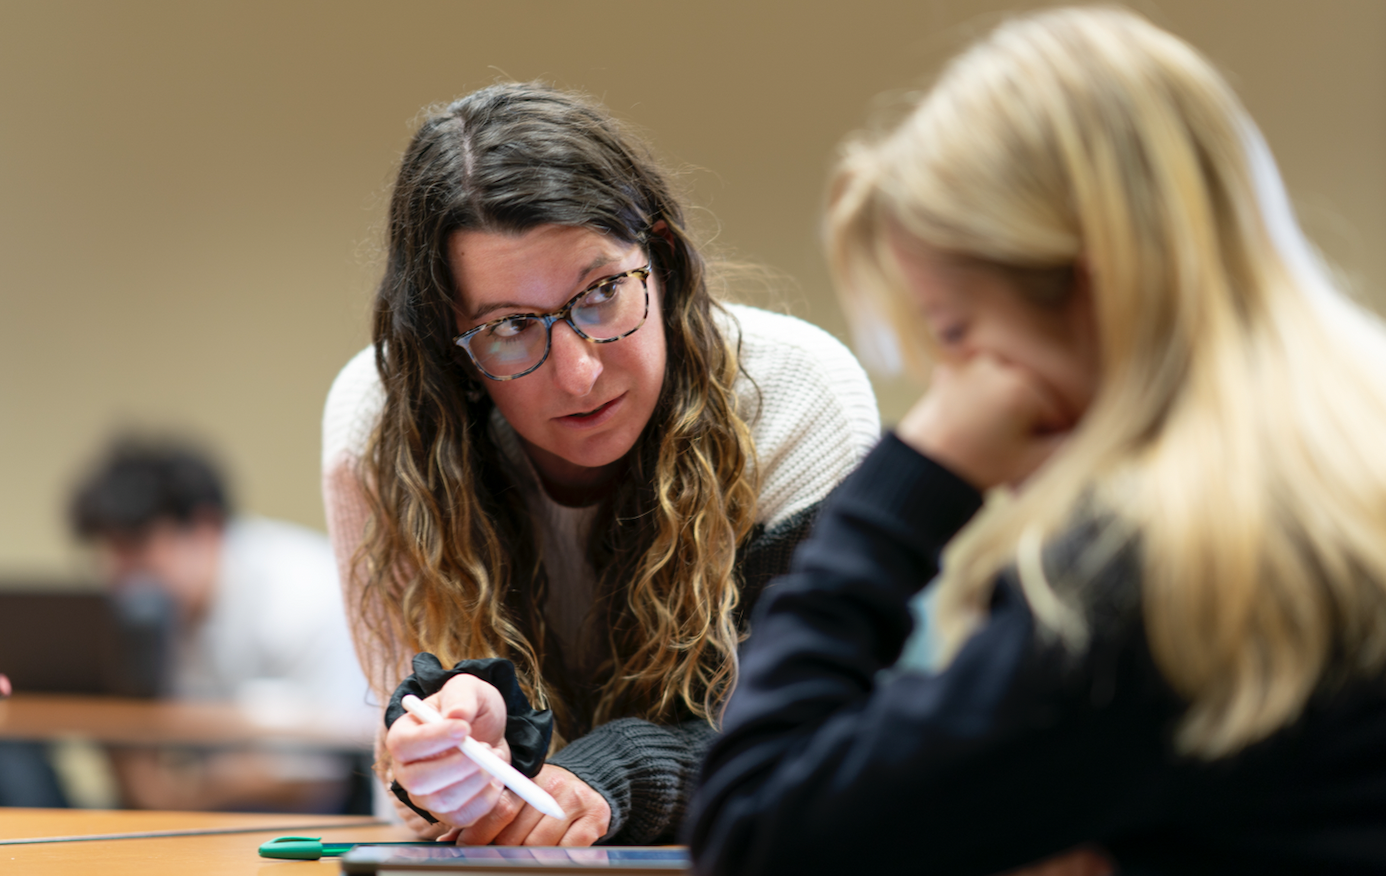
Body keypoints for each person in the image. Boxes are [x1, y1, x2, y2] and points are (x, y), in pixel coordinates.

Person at [689, 8, 1386, 876]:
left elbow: (755, 823)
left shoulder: (1159, 576)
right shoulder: (1341, 481)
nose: (954, 390)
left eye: (956, 334)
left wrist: (910, 477)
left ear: (1098, 293)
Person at [321, 82, 880, 846]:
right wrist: (444, 772)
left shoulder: (797, 402)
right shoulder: (385, 432)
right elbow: (420, 791)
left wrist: (611, 775)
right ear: (450, 351)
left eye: (603, 291)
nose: (579, 373)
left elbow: (813, 739)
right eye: (510, 327)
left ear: (664, 260)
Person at [70, 438, 372, 813]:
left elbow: (315, 774)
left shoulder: (306, 594)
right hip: (211, 814)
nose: (118, 573)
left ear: (205, 527)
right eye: (108, 551)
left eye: (134, 547)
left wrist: (171, 798)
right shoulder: (138, 614)